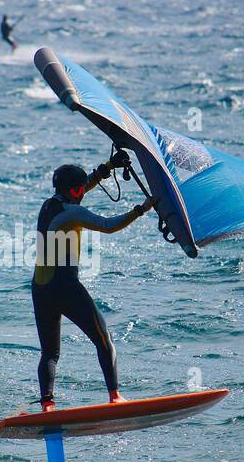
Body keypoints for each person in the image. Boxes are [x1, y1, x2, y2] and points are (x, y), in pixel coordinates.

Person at [31, 150, 155, 411]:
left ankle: (47, 405)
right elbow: (108, 225)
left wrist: (107, 168)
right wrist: (141, 209)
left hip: (40, 288)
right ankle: (115, 396)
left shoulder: (49, 205)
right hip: (64, 286)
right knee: (103, 339)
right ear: (74, 192)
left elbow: (81, 187)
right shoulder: (72, 213)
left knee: (50, 353)